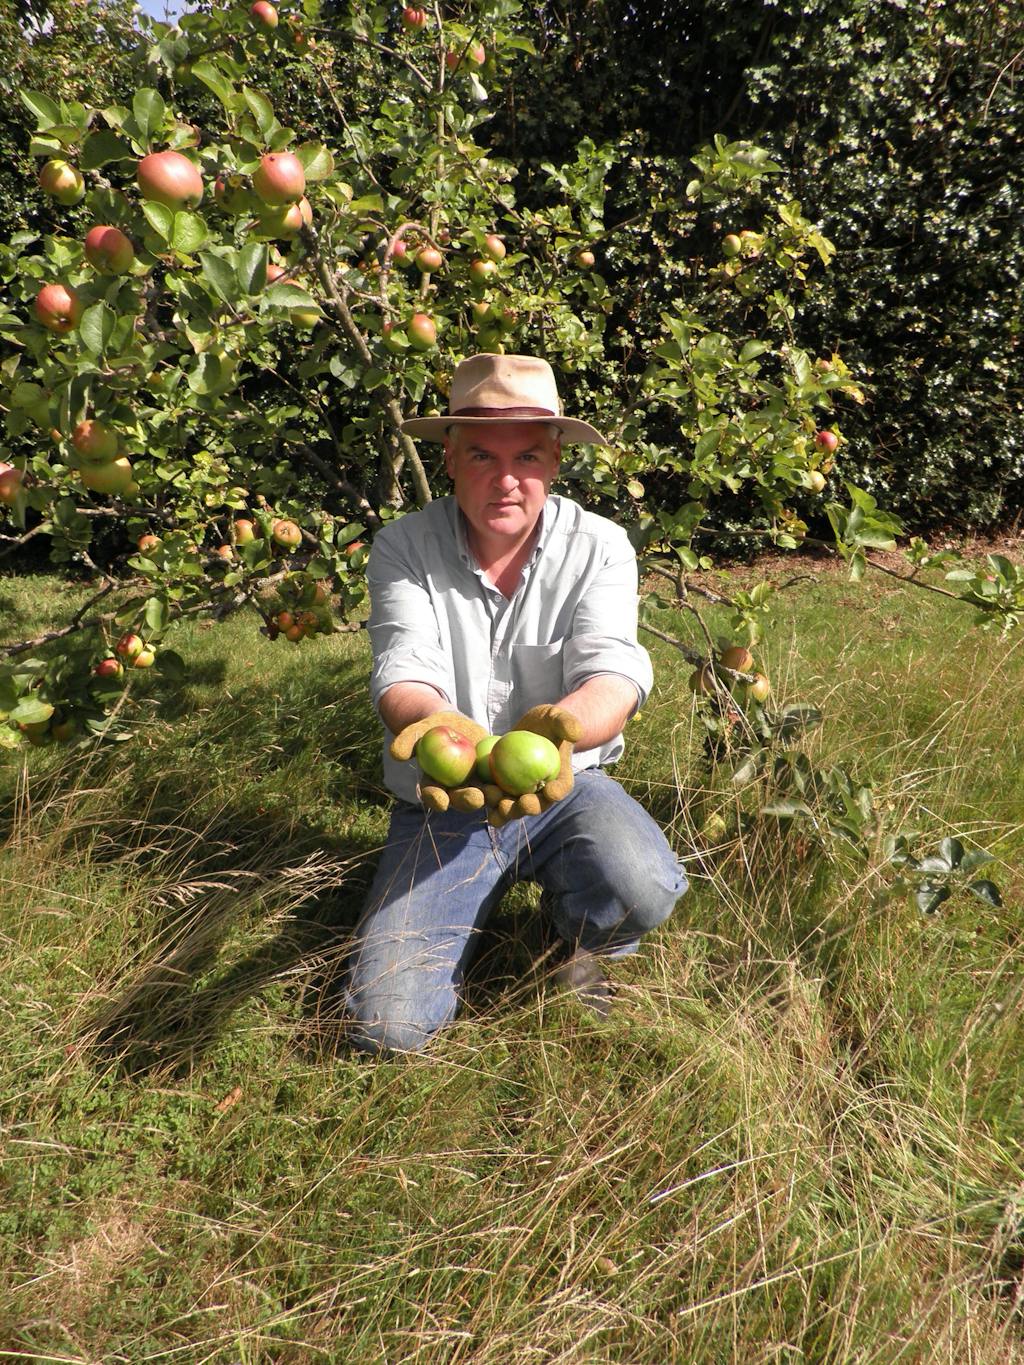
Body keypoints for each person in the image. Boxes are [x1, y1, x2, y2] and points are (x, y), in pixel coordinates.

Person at [345, 353, 687, 1054]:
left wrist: (564, 732)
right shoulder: (403, 547)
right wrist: (433, 724)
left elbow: (614, 673)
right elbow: (404, 667)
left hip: (565, 783)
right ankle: (468, 898)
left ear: (555, 460)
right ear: (449, 459)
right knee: (387, 1028)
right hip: (446, 799)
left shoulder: (600, 547)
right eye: (482, 456)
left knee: (645, 884)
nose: (506, 479)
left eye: (526, 456)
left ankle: (573, 938)